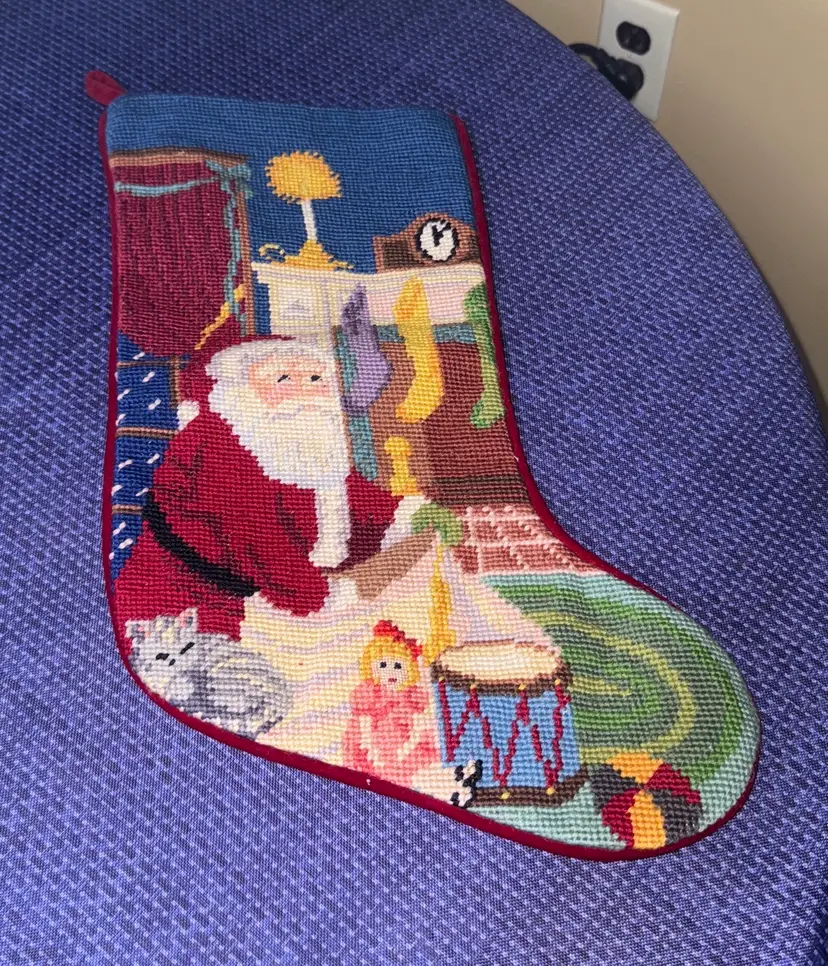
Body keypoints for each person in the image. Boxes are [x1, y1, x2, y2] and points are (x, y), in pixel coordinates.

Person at [115, 337, 427, 642]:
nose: (305, 390)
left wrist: (405, 514)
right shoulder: (219, 443)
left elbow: (345, 489)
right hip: (188, 597)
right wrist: (319, 595)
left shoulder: (301, 437)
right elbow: (255, 532)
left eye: (316, 378)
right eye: (283, 378)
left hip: (264, 590)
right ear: (243, 386)